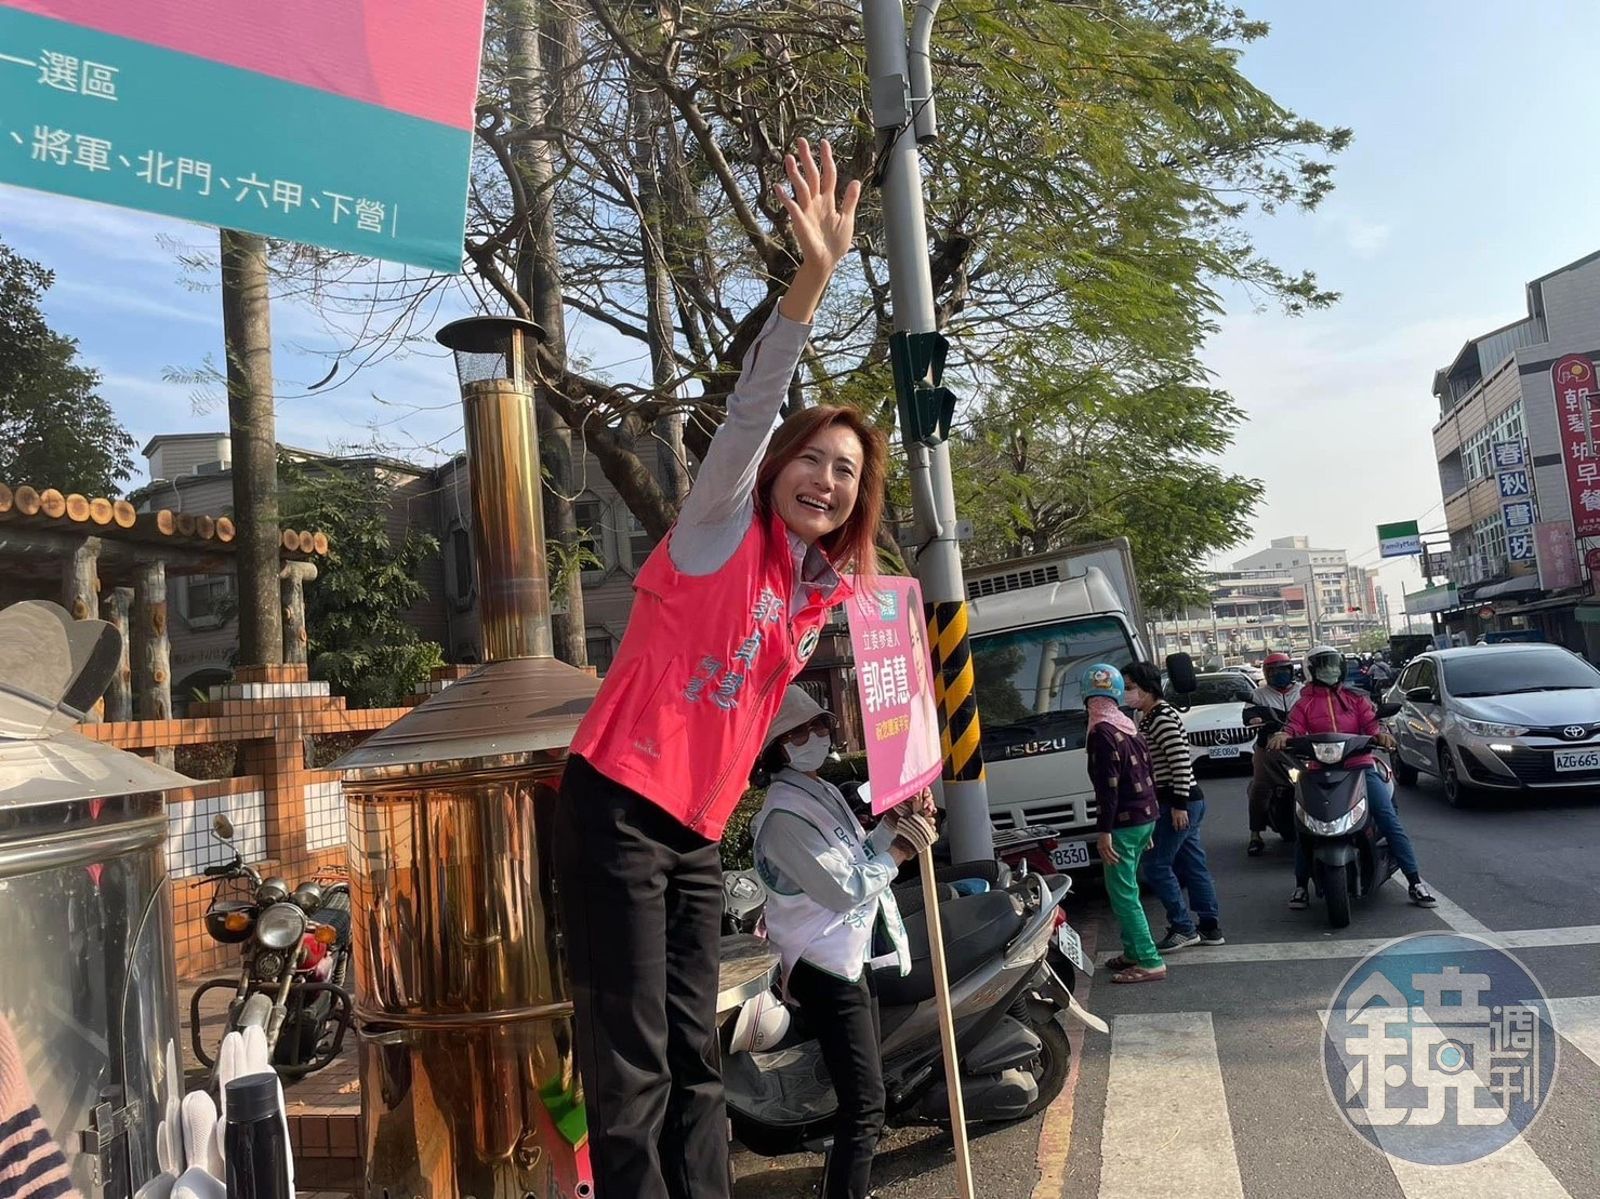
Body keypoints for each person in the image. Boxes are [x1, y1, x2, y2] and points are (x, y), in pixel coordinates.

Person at [552, 139, 880, 1199]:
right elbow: (750, 406)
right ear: (775, 467)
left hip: (696, 826)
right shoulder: (717, 526)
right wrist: (812, 279)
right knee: (634, 1060)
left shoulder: (809, 593)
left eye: (846, 471)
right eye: (812, 458)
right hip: (618, 801)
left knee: (698, 1051)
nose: (826, 478)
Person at [748, 687, 937, 1199]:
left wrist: (893, 824)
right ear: (775, 749)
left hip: (850, 956)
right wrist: (901, 851)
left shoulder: (821, 791)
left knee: (867, 1097)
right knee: (865, 1105)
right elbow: (844, 888)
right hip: (823, 965)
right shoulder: (783, 817)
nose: (815, 737)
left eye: (819, 725)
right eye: (797, 733)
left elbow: (860, 855)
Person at [1270, 645, 1438, 911]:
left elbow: (1372, 724)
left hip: (1360, 767)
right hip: (1316, 770)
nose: (1330, 670)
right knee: (1303, 825)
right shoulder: (1304, 704)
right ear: (1311, 670)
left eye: (1333, 664)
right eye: (1323, 665)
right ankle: (1301, 886)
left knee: (1388, 819)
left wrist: (1381, 735)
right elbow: (1293, 727)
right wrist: (1283, 735)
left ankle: (1414, 880)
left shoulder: (1356, 699)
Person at [1121, 662, 1223, 950]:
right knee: (1192, 864)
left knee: (1156, 865)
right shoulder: (1148, 717)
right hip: (1182, 800)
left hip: (1178, 801)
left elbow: (1180, 762)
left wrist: (1178, 805)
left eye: (1130, 687)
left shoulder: (1162, 717)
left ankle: (1182, 927)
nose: (1127, 693)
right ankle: (1210, 926)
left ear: (1148, 687)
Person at [1082, 663, 1166, 984]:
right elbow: (1148, 773)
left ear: (1087, 698)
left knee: (1123, 894)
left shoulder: (1101, 732)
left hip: (1122, 823)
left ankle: (1149, 960)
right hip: (1143, 818)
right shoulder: (1128, 725)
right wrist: (1149, 821)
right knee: (1127, 886)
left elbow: (1108, 788)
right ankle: (1132, 950)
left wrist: (1103, 831)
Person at [1245, 651, 1302, 856]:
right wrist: (1254, 720)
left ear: (1291, 670)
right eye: (1273, 671)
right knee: (1260, 787)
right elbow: (1249, 713)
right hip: (1269, 749)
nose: (1279, 674)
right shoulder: (1259, 694)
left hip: (1301, 748)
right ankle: (1255, 835)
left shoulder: (1303, 691)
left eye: (1283, 670)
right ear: (1266, 673)